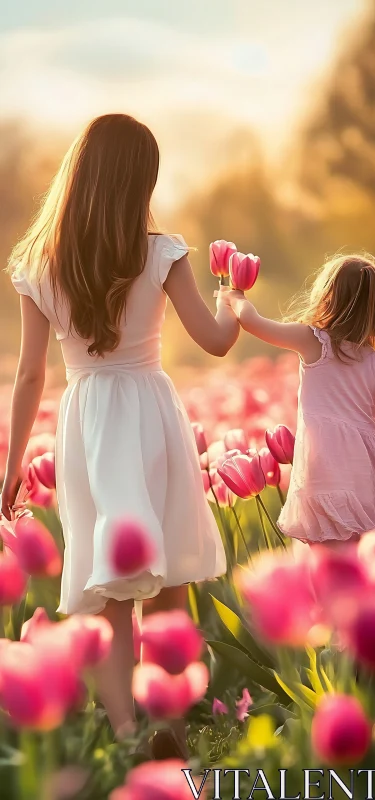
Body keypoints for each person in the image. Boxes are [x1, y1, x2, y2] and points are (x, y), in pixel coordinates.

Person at [1, 114, 239, 753]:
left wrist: (12, 466)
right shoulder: (161, 252)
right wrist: (231, 293)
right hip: (150, 415)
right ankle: (170, 728)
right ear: (141, 182)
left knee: (112, 586)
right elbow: (216, 343)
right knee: (165, 580)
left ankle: (130, 734)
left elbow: (29, 376)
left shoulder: (38, 263)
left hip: (87, 424)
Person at [227, 254, 375, 546]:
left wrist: (236, 296)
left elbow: (252, 321)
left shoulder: (312, 340)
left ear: (327, 295)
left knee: (330, 551)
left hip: (324, 464)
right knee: (365, 549)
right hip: (366, 467)